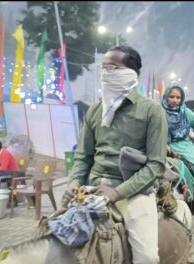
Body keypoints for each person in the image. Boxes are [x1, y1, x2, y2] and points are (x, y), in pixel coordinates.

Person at [62, 46, 167, 264]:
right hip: (92, 189)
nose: (106, 73)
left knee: (147, 257)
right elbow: (83, 157)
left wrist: (116, 193)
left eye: (113, 68)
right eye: (103, 68)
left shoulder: (152, 111)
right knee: (56, 240)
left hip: (133, 191)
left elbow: (156, 166)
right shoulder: (94, 111)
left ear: (131, 73)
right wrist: (73, 182)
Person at [162, 85, 194, 184]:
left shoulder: (186, 112)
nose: (175, 100)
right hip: (161, 145)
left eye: (178, 97)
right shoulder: (158, 111)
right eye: (172, 97)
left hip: (185, 146)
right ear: (166, 97)